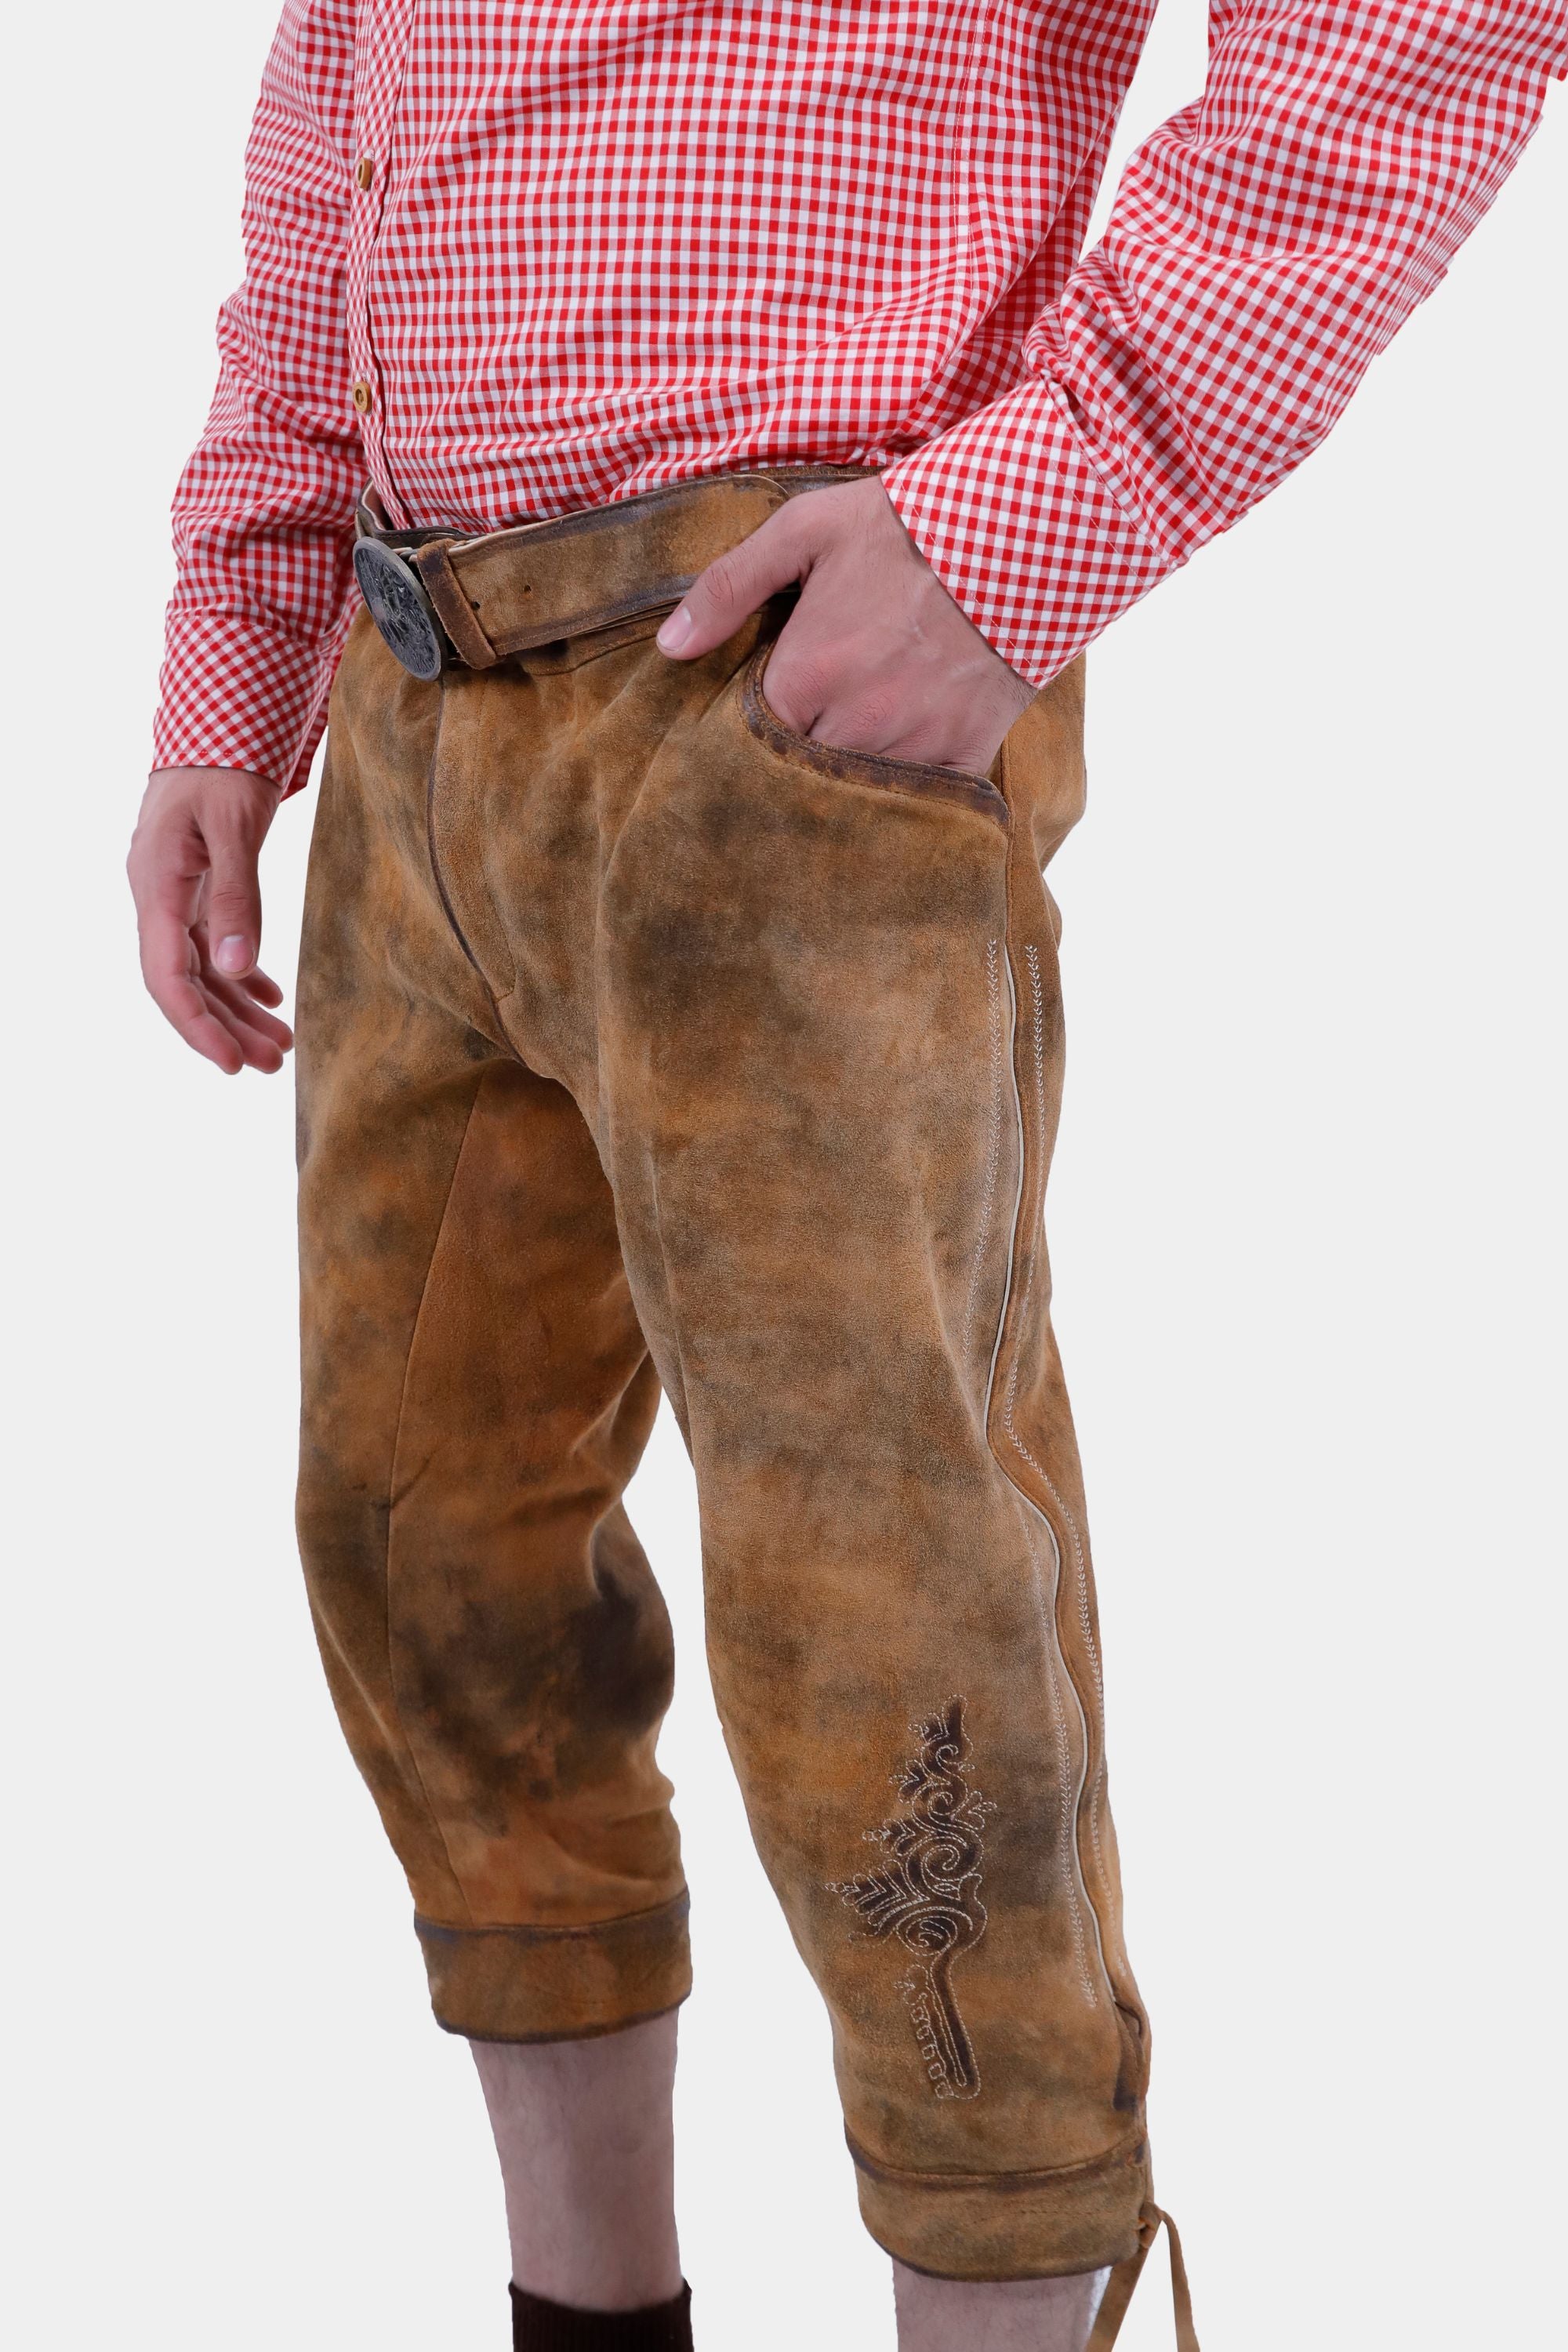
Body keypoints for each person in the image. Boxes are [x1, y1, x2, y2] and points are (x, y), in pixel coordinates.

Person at [125, 5, 1566, 2347]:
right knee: (428, 1558)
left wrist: (1027, 523)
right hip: (417, 708)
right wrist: (237, 654)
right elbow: (336, 120)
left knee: (883, 1627)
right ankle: (594, 2321)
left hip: (775, 695)